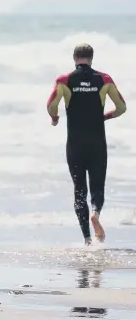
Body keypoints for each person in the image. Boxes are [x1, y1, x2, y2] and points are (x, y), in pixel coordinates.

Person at [47, 43, 126, 246]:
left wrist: (55, 117)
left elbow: (51, 105)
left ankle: (87, 239)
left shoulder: (64, 80)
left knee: (79, 190)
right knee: (97, 187)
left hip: (75, 144)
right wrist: (105, 117)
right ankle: (96, 214)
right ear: (92, 58)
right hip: (97, 143)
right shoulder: (104, 79)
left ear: (74, 58)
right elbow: (121, 107)